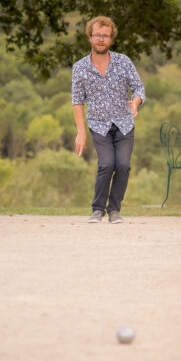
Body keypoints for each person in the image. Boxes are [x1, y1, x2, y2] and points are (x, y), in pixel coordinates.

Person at [72, 16, 145, 224]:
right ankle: (97, 209)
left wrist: (135, 101)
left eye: (105, 36)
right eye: (97, 35)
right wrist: (81, 132)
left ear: (112, 39)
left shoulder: (123, 62)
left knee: (123, 165)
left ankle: (114, 210)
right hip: (98, 124)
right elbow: (77, 101)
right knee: (106, 164)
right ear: (90, 37)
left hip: (124, 123)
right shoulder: (80, 68)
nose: (101, 39)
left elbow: (139, 87)